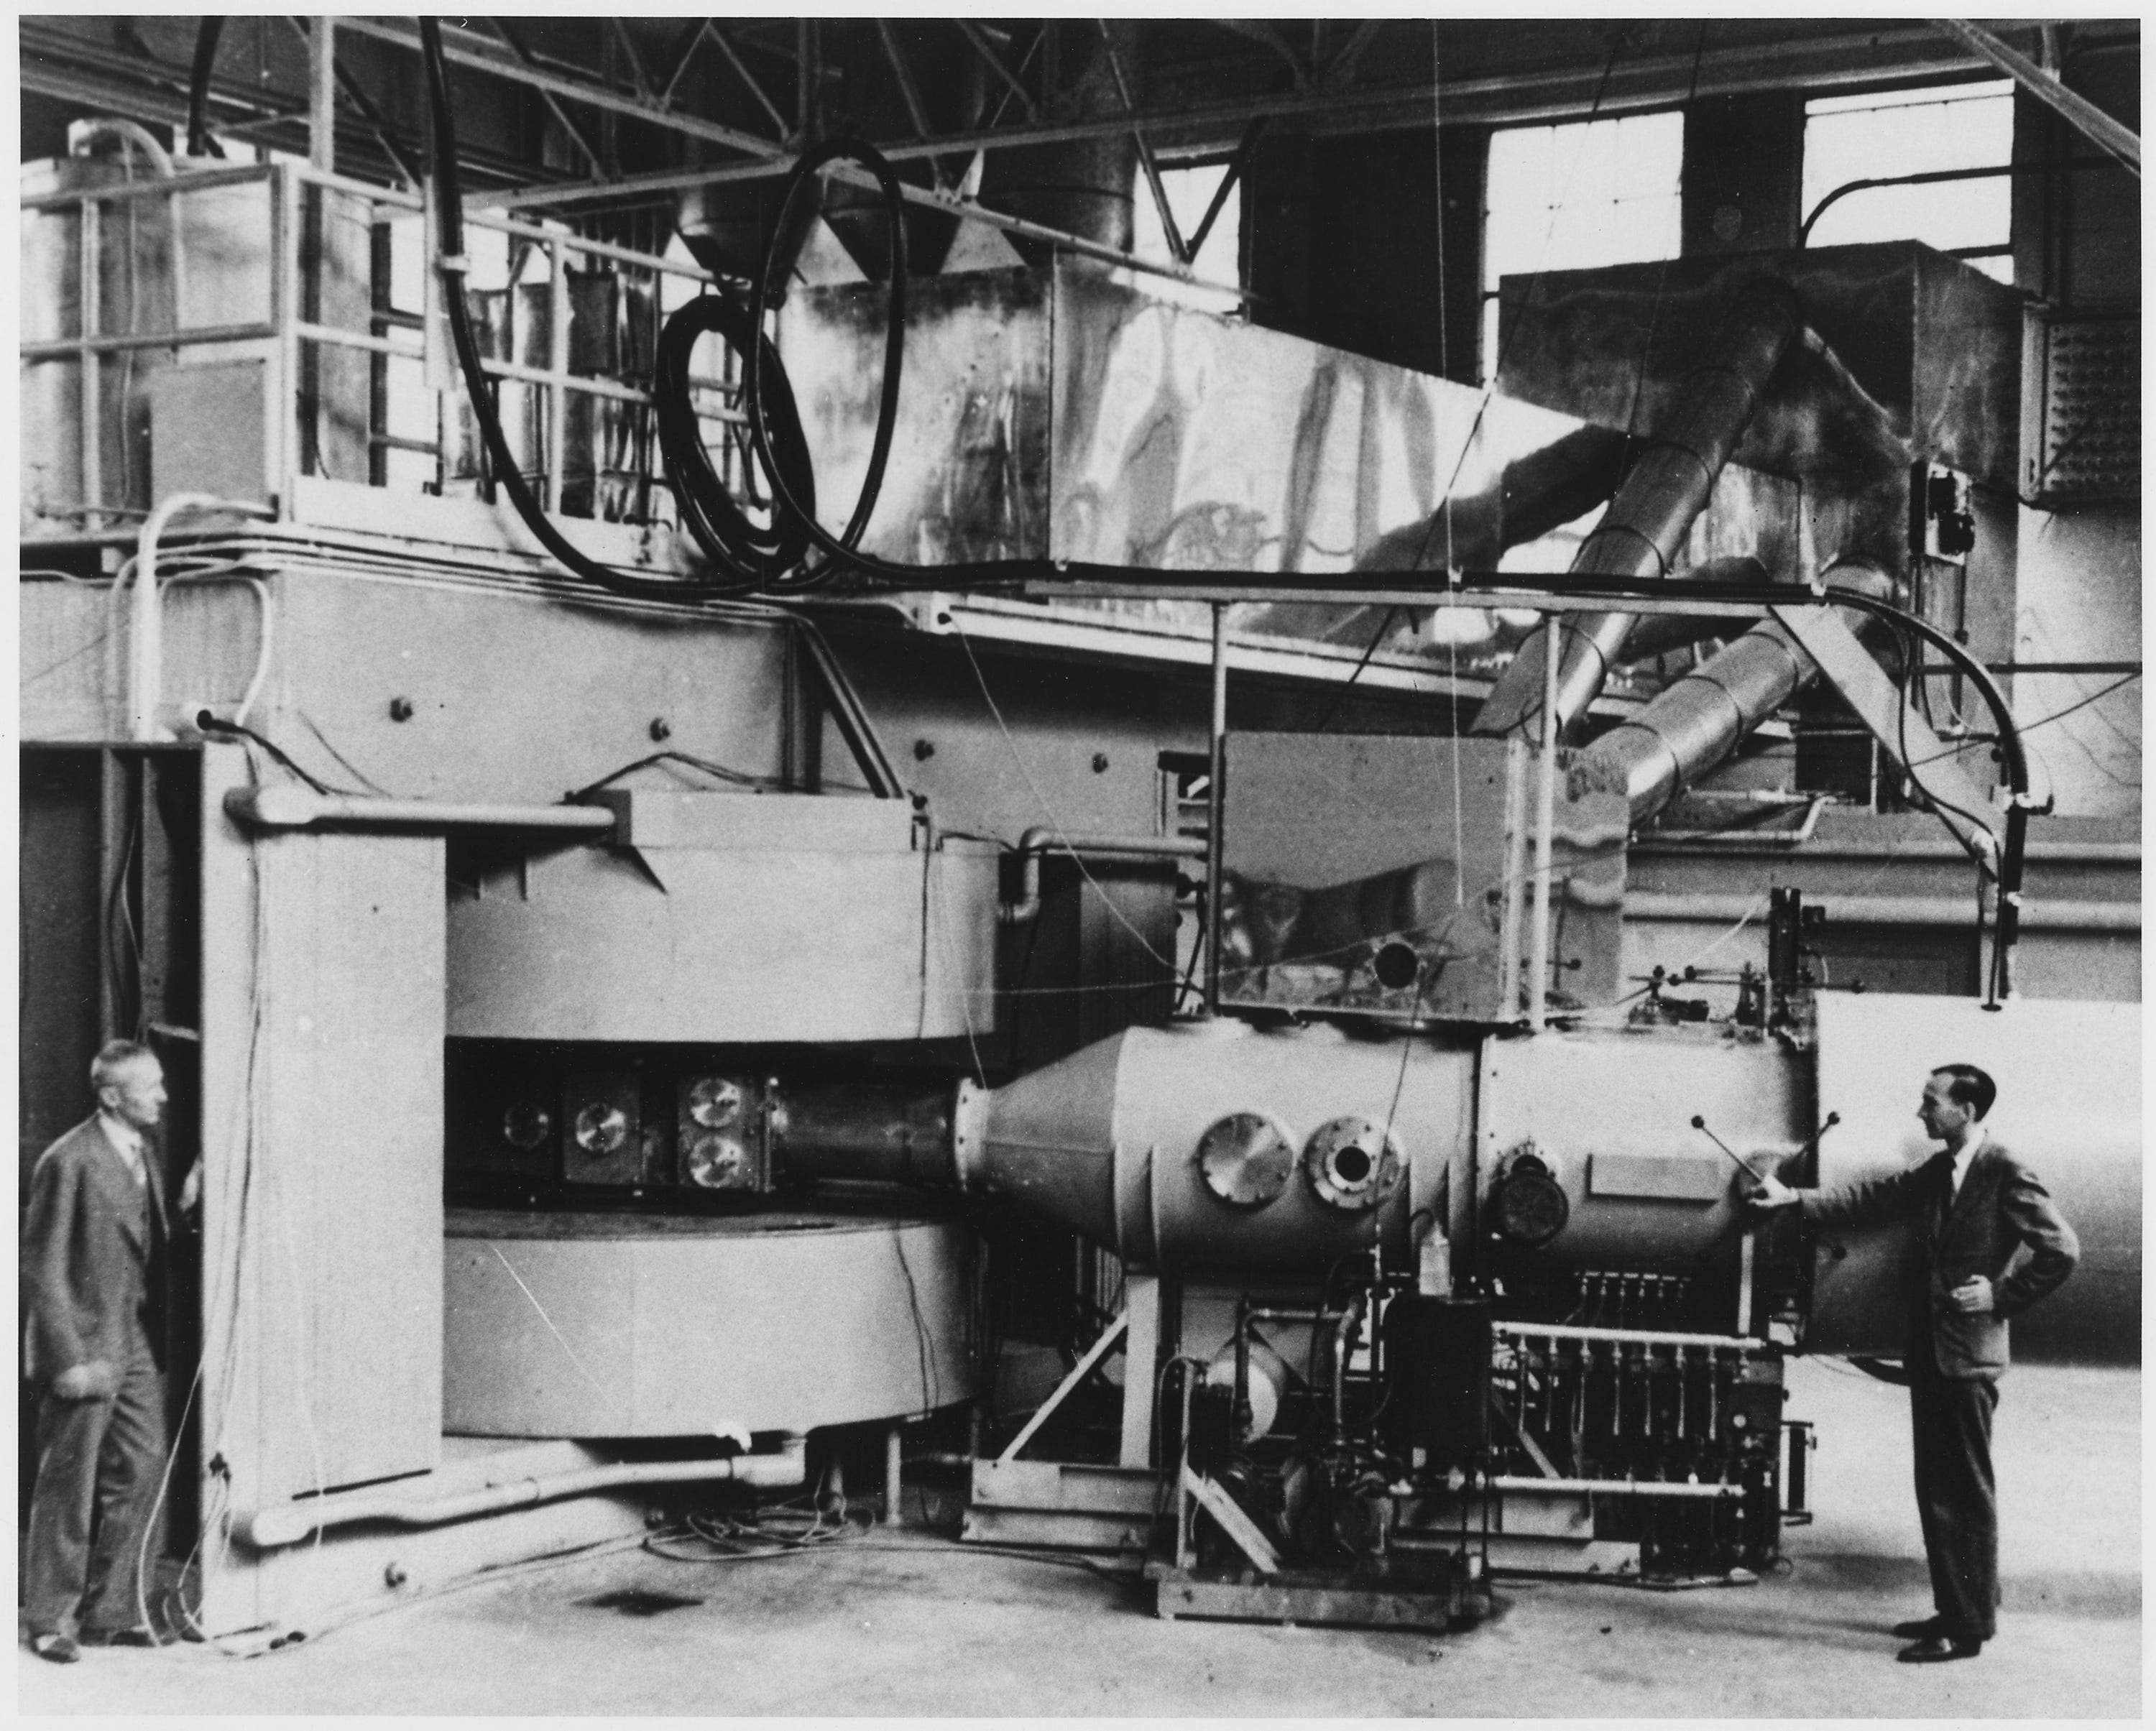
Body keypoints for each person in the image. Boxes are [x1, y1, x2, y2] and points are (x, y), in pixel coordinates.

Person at [1751, 1063, 2078, 1664]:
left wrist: (2000, 1295)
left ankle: (1967, 1628)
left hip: (1966, 1357)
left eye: (1932, 1101)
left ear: (1967, 1110)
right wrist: (1793, 1197)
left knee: (1963, 1495)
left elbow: (2062, 1249)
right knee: (1938, 1490)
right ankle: (1955, 1608)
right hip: (1933, 1352)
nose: (1921, 1111)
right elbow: (1875, 1197)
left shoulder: (2004, 1169)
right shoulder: (1941, 1168)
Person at [21, 1040, 182, 1662]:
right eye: (151, 1086)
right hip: (84, 1343)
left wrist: (186, 1201)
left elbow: (142, 1238)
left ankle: (111, 1612)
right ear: (112, 1096)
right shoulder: (69, 1159)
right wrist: (68, 1360)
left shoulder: (144, 1152)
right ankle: (49, 1619)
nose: (163, 1096)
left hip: (131, 1337)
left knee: (142, 1464)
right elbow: (41, 1268)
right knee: (68, 1481)